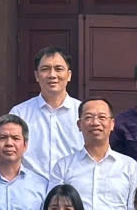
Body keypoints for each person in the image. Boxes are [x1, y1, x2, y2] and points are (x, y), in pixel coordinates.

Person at [48, 98, 137, 210]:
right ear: (79, 125)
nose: (95, 122)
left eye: (102, 117)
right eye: (89, 117)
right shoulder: (64, 166)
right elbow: (53, 209)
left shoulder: (129, 166)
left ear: (112, 124)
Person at [10, 47, 83, 178]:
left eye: (58, 69)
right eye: (45, 69)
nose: (52, 75)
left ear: (69, 75)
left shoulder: (83, 113)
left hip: (72, 185)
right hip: (30, 185)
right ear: (37, 76)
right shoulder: (19, 113)